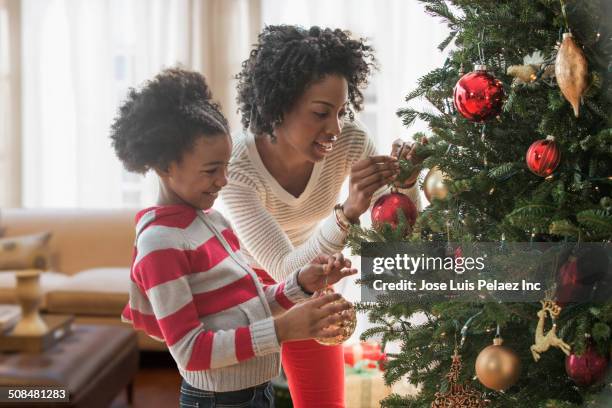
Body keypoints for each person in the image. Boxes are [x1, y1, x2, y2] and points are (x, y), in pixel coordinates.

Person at [110, 67, 357, 408]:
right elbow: (191, 351)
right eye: (211, 170)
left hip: (255, 391)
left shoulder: (214, 221)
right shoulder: (160, 245)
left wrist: (300, 283)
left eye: (226, 166)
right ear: (167, 166)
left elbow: (246, 308)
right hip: (216, 400)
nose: (224, 180)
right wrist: (283, 331)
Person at [223, 25, 423, 407]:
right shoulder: (237, 165)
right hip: (240, 282)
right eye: (320, 113)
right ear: (277, 105)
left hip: (311, 275)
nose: (334, 128)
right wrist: (347, 213)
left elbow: (396, 231)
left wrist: (406, 184)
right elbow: (284, 268)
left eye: (340, 111)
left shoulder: (350, 139)